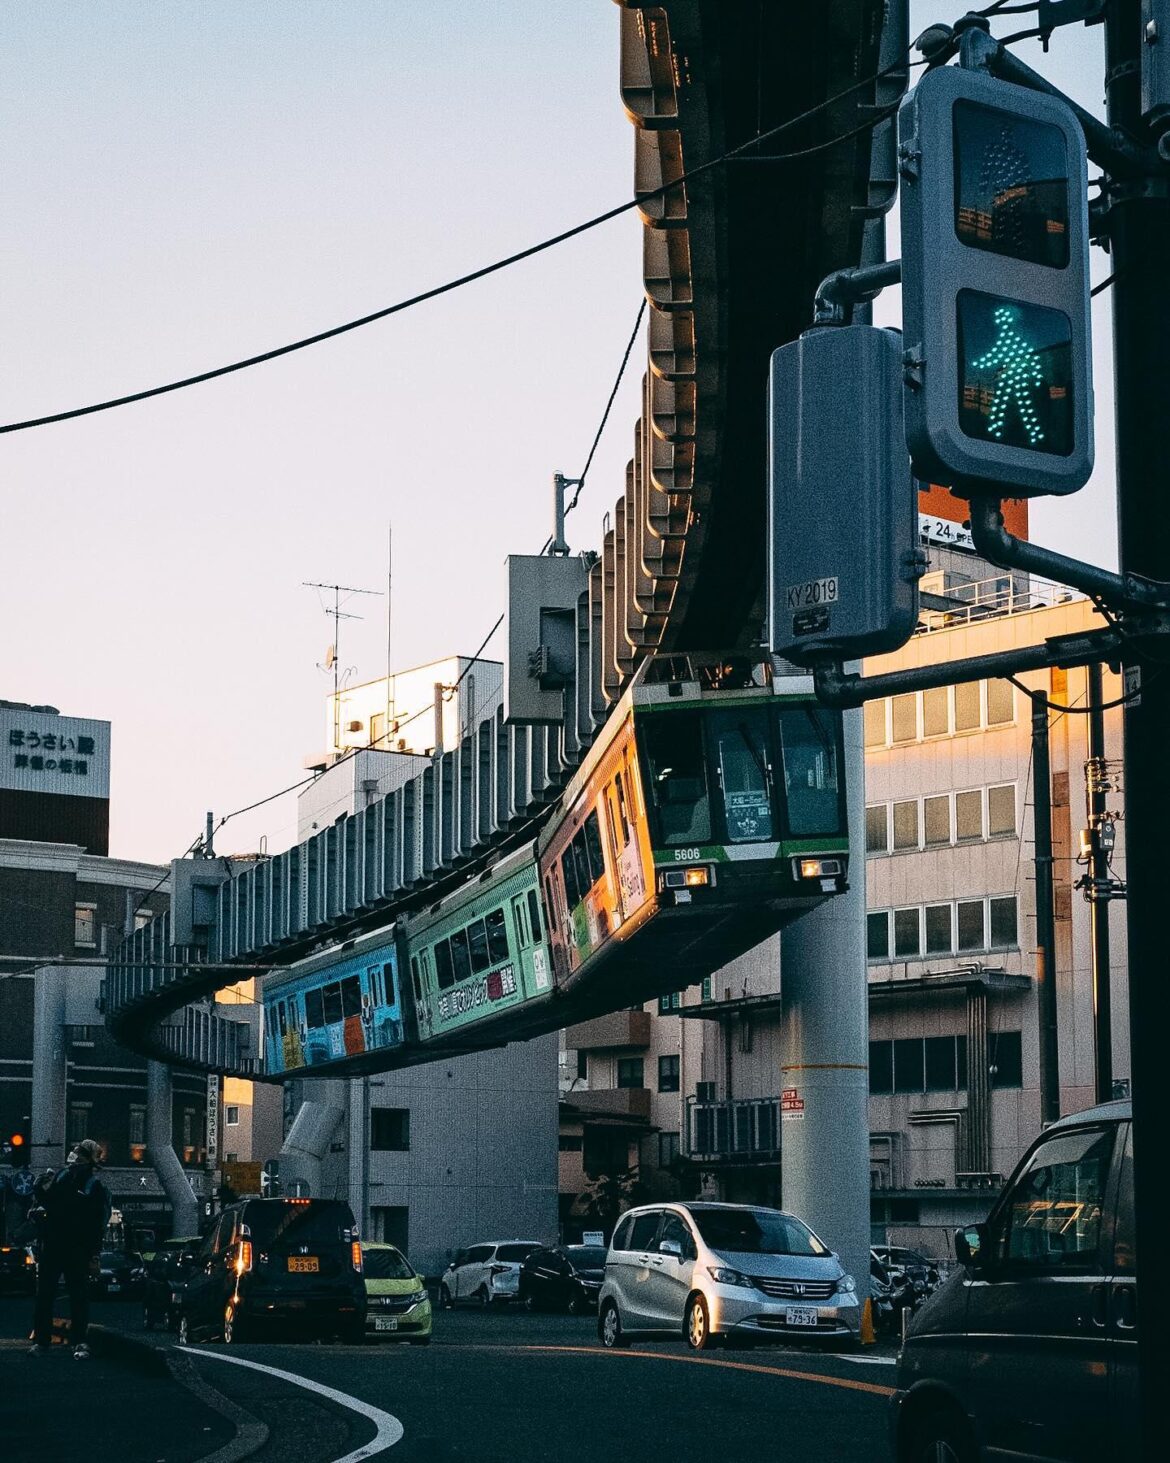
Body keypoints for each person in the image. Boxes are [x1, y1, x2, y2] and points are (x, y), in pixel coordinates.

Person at [27, 1139, 112, 1360]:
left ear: (88, 1161)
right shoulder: (62, 1177)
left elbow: (96, 1224)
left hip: (76, 1248)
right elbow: (49, 1203)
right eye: (74, 1153)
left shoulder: (93, 1186)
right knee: (46, 1295)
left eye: (79, 1155)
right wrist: (39, 1187)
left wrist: (93, 1254)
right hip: (55, 1245)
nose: (73, 1158)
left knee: (77, 1295)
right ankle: (43, 1341)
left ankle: (77, 1341)